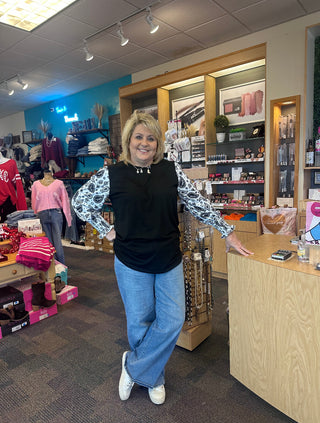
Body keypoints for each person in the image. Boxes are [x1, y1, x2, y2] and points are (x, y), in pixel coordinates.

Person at [71, 111, 253, 406]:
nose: (144, 143)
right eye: (139, 137)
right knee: (140, 322)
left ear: (158, 144)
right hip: (131, 261)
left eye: (151, 138)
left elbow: (197, 202)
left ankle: (132, 366)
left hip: (168, 258)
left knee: (171, 320)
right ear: (129, 140)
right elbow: (79, 203)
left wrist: (227, 231)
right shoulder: (112, 174)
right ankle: (155, 378)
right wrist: (106, 230)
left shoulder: (171, 170)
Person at [31, 169, 72, 264]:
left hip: (53, 213)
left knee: (57, 242)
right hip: (45, 214)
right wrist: (35, 214)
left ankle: (61, 268)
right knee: (47, 243)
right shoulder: (36, 185)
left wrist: (68, 218)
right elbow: (33, 201)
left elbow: (65, 201)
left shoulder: (59, 183)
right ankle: (51, 267)